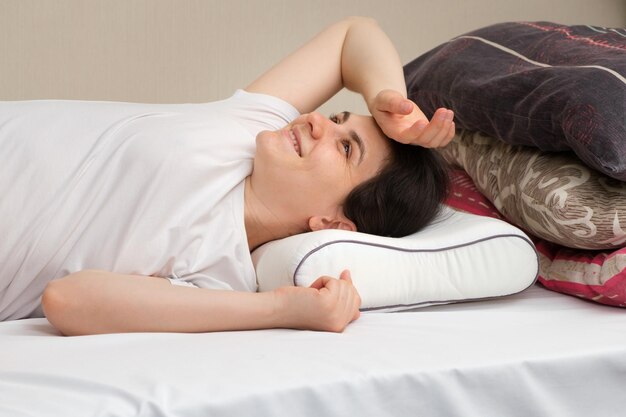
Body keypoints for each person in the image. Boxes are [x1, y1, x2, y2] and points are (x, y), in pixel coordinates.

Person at [0, 17, 454, 335]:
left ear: (333, 223)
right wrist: (385, 98)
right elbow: (355, 35)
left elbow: (67, 300)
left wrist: (282, 309)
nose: (318, 121)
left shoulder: (220, 275)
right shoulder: (250, 123)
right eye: (338, 117)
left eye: (345, 147)